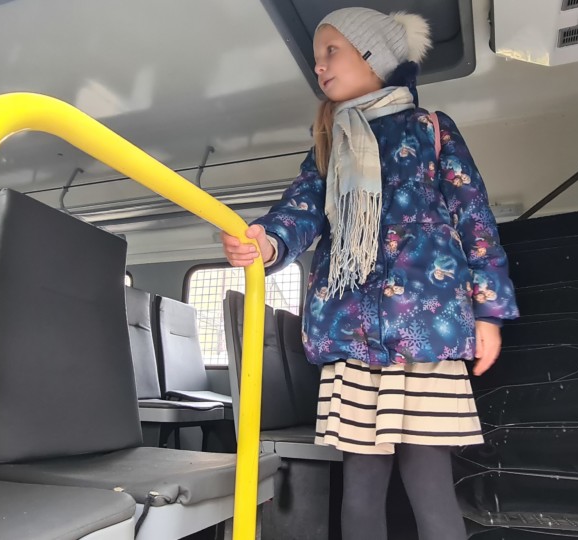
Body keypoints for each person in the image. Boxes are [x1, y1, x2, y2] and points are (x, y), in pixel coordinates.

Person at [221, 7, 518, 540]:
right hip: (352, 337)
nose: (319, 66)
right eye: (317, 58)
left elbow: (475, 220)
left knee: (429, 484)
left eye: (331, 51)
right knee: (359, 487)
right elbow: (301, 210)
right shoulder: (329, 143)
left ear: (374, 55)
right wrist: (267, 242)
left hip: (427, 335)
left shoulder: (431, 130)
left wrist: (489, 314)